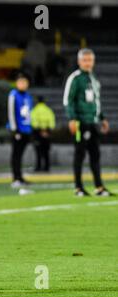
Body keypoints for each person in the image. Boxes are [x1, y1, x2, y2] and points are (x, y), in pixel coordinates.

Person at [63, 48, 112, 197]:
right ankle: (78, 187)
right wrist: (72, 118)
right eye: (85, 60)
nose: (87, 63)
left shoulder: (94, 78)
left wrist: (102, 118)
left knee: (95, 155)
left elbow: (96, 101)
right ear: (79, 61)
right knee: (80, 155)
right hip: (80, 122)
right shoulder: (75, 78)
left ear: (93, 61)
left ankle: (99, 187)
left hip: (93, 122)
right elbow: (68, 100)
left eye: (90, 60)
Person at [8, 73, 33, 188]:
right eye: (21, 82)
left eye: (25, 82)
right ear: (17, 83)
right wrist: (15, 130)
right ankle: (15, 178)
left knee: (20, 155)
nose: (23, 84)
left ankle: (20, 177)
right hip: (18, 130)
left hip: (26, 129)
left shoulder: (28, 96)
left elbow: (29, 114)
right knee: (16, 155)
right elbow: (11, 112)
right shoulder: (13, 95)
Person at [31, 96, 55, 172]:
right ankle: (46, 167)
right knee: (46, 152)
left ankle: (38, 167)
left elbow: (33, 122)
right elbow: (52, 123)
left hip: (37, 134)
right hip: (47, 133)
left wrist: (40, 131)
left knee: (38, 151)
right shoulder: (48, 110)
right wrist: (47, 131)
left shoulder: (35, 110)